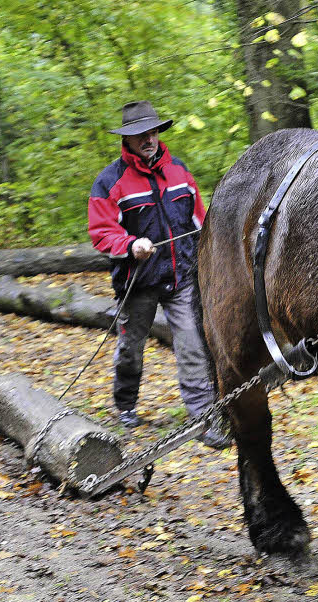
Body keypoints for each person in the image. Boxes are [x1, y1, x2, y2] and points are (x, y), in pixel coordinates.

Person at [88, 100, 229, 449]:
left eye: (152, 132)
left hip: (181, 278)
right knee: (131, 349)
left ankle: (203, 417)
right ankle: (125, 405)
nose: (148, 139)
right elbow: (101, 233)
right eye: (140, 134)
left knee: (194, 345)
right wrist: (131, 244)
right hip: (137, 283)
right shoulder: (109, 182)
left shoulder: (179, 171)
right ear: (128, 140)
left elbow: (201, 220)